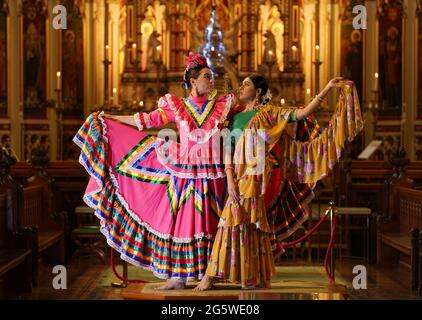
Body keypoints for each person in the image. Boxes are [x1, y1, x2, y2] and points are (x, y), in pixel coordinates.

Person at [73, 53, 238, 290]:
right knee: (182, 224)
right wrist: (111, 117)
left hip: (213, 174)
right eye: (206, 76)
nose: (211, 81)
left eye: (211, 77)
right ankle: (177, 277)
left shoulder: (222, 105)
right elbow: (147, 120)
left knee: (210, 224)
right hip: (184, 174)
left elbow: (246, 113)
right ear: (193, 81)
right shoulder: (177, 105)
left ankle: (207, 275)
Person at [193, 74, 363, 290]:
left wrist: (327, 88)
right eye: (242, 84)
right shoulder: (232, 117)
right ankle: (252, 275)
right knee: (247, 223)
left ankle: (213, 275)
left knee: (233, 219)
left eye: (246, 84)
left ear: (259, 92)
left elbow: (301, 113)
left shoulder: (269, 113)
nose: (241, 87)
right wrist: (229, 177)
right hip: (236, 175)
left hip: (256, 176)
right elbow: (227, 148)